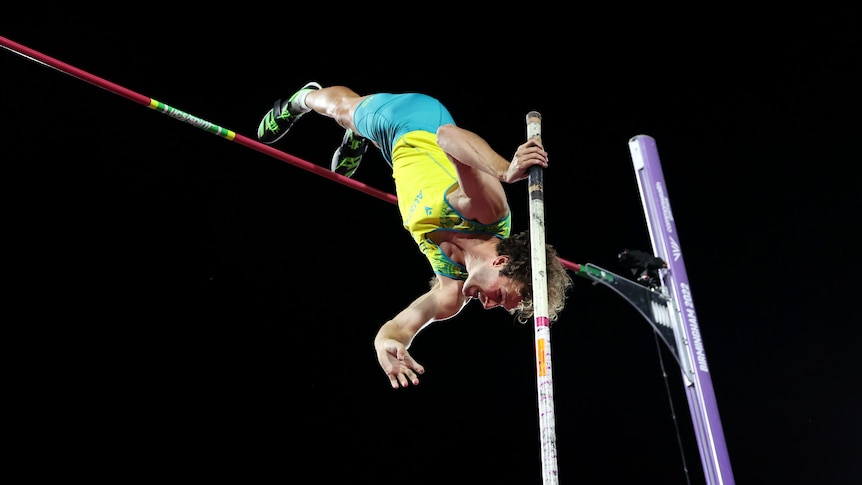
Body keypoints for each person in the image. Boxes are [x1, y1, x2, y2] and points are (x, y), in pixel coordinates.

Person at [257, 82, 573, 389]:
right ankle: (302, 98)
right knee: (343, 109)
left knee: (363, 125)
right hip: (412, 121)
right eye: (501, 296)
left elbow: (399, 327)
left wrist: (387, 344)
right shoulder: (487, 213)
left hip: (399, 155)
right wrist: (505, 170)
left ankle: (356, 135)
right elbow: (447, 136)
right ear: (502, 262)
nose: (489, 306)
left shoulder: (451, 292)